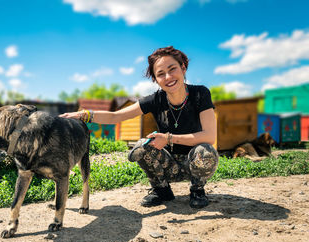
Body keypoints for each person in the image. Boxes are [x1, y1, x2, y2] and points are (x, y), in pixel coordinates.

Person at [60, 46, 219, 209]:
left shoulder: (200, 94)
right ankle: (162, 189)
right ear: (156, 80)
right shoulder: (155, 99)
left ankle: (197, 190)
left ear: (183, 68)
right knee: (142, 146)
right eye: (161, 74)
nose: (168, 77)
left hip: (194, 162)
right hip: (167, 164)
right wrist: (84, 114)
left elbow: (209, 136)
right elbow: (117, 116)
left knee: (205, 150)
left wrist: (168, 138)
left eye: (172, 69)